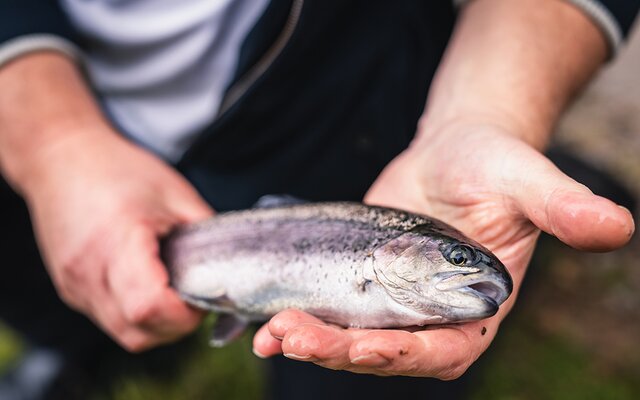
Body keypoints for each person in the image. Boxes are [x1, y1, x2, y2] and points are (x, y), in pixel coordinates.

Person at [0, 0, 637, 398]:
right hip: (42, 97)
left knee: (369, 384)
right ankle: (76, 352)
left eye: (464, 263)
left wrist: (490, 112)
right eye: (460, 260)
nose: (468, 271)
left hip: (360, 110)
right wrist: (54, 145)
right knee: (42, 277)